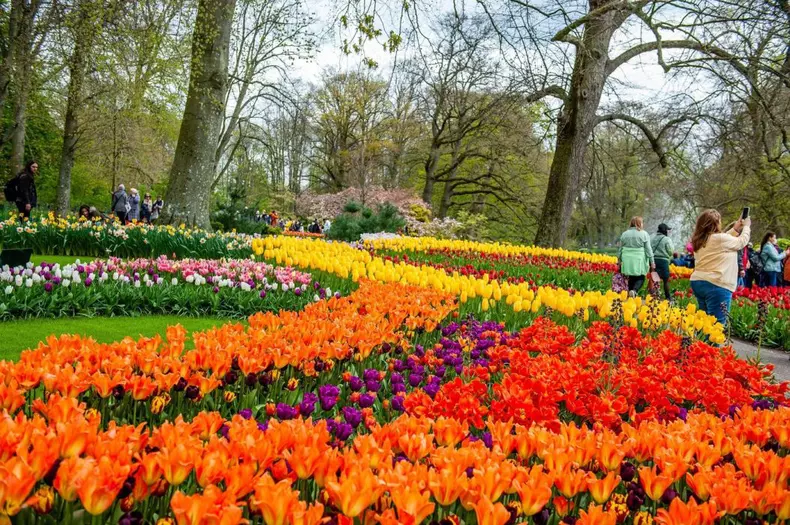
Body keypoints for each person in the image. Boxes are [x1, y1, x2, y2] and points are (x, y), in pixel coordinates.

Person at [689, 209, 750, 326]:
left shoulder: (699, 239)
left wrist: (736, 228)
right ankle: (711, 345)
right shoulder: (719, 239)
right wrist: (746, 227)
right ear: (716, 223)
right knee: (716, 325)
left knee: (704, 322)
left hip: (699, 281)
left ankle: (702, 344)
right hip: (717, 283)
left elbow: (721, 240)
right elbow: (741, 242)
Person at [617, 216, 655, 296]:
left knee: (631, 277)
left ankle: (631, 295)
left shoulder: (624, 234)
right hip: (639, 259)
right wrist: (652, 261)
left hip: (627, 258)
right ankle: (634, 290)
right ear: (639, 223)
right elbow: (648, 249)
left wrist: (619, 260)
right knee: (641, 276)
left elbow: (620, 249)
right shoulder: (644, 234)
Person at [650, 223, 674, 300]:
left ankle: (654, 296)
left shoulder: (652, 238)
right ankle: (668, 297)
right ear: (665, 230)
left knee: (654, 279)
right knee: (665, 280)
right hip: (663, 261)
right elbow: (670, 251)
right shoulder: (667, 239)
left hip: (654, 261)